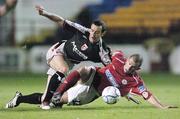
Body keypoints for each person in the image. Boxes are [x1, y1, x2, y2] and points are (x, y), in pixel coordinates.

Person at [5, 51, 177, 109]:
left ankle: (20, 98)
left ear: (137, 69)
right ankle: (57, 92)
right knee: (86, 69)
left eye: (133, 67)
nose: (128, 68)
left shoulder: (135, 80)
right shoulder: (118, 58)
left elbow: (147, 95)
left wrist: (161, 107)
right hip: (93, 76)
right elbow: (110, 51)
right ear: (127, 60)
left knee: (53, 102)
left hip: (92, 92)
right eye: (129, 64)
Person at [34, 5, 111, 109]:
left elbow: (112, 69)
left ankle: (20, 99)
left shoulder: (102, 50)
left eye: (97, 32)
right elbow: (60, 21)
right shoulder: (83, 31)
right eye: (92, 30)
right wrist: (44, 13)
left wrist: (124, 88)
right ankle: (45, 103)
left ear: (103, 33)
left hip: (69, 62)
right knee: (63, 69)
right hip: (58, 51)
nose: (93, 34)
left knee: (50, 91)